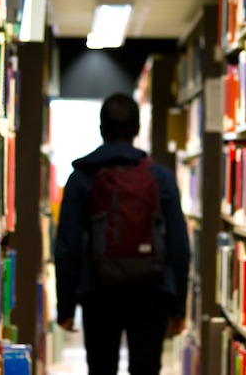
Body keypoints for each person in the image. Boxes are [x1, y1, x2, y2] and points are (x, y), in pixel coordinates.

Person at [55, 93, 191, 375]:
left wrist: (66, 305)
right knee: (146, 368)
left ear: (102, 129)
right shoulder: (160, 177)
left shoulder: (81, 177)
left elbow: (68, 246)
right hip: (151, 291)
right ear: (137, 129)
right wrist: (178, 306)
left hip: (98, 291)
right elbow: (179, 244)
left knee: (101, 368)